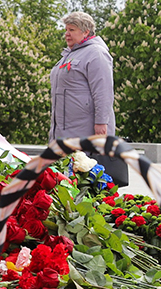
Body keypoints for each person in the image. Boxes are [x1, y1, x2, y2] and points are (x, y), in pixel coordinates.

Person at [49, 12, 121, 181]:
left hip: (85, 130)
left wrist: (102, 123)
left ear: (86, 32)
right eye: (66, 29)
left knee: (85, 179)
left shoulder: (96, 53)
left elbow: (103, 91)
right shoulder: (70, 54)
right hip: (64, 130)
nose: (66, 34)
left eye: (71, 29)